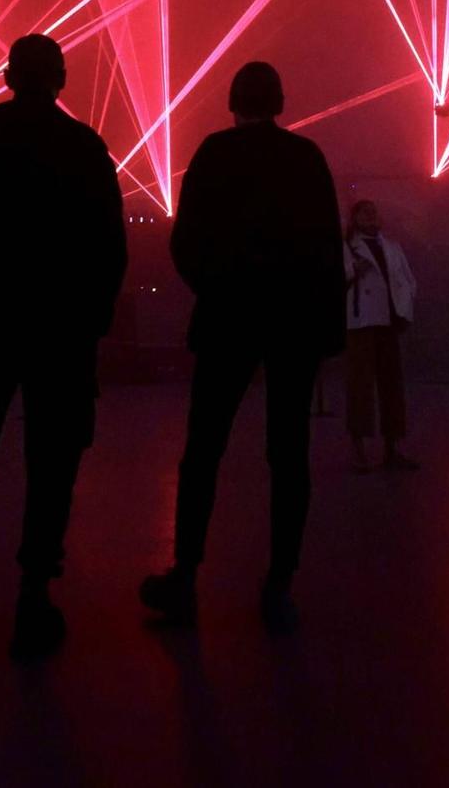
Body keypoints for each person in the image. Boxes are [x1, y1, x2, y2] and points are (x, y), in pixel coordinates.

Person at [0, 34, 127, 659]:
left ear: (8, 76)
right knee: (54, 462)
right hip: (60, 327)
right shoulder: (84, 147)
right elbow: (109, 250)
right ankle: (34, 595)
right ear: (60, 79)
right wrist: (92, 324)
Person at [140, 61, 342, 635]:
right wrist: (324, 329)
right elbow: (329, 247)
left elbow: (186, 242)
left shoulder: (214, 154)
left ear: (233, 102)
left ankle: (184, 576)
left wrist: (218, 288)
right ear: (280, 101)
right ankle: (280, 586)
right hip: (294, 326)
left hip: (228, 320)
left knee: (203, 449)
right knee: (289, 455)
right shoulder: (307, 158)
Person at [343, 199, 418, 472]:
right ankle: (359, 449)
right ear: (355, 218)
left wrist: (405, 306)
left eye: (373, 210)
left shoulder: (392, 246)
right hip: (362, 323)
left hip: (388, 321)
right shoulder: (347, 248)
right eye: (365, 211)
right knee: (360, 386)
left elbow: (407, 279)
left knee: (391, 385)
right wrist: (354, 271)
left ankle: (391, 447)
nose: (371, 214)